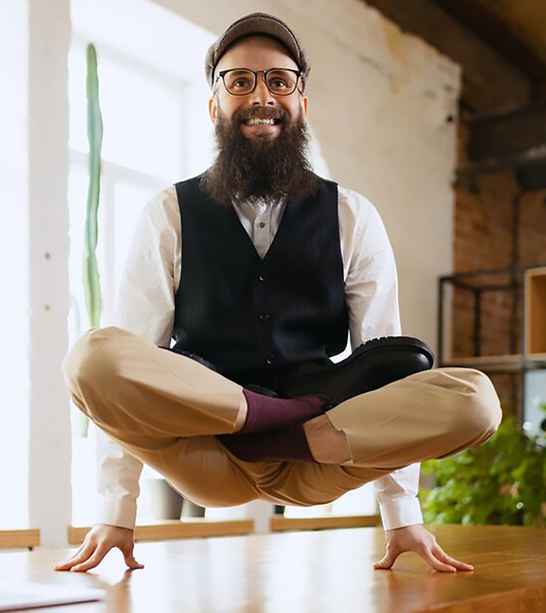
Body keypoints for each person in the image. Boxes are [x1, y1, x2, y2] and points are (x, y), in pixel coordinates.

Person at [56, 12, 501, 575]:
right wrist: (116, 509)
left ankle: (294, 427)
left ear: (301, 106)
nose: (261, 96)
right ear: (214, 106)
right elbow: (134, 357)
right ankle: (262, 418)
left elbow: (386, 368)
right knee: (91, 356)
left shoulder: (352, 216)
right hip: (209, 451)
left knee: (476, 399)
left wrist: (400, 512)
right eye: (240, 81)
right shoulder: (170, 213)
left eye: (279, 81)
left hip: (325, 452)